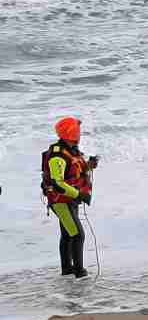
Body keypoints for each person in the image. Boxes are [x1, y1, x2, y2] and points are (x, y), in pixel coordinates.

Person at [42, 117, 98, 278]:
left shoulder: (70, 151)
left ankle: (67, 269)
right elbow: (58, 183)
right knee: (77, 234)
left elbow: (75, 171)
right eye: (77, 131)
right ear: (71, 133)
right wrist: (79, 194)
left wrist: (89, 165)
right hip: (60, 201)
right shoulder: (57, 156)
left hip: (69, 200)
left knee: (67, 234)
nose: (79, 134)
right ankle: (79, 273)